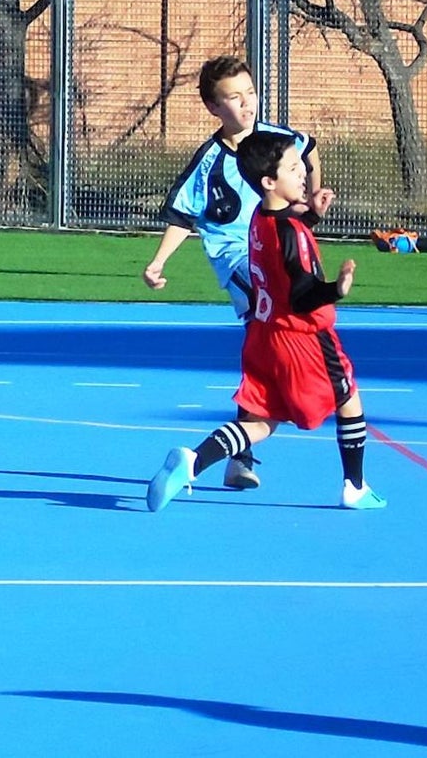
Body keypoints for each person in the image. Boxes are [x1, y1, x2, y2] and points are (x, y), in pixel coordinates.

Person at [145, 130, 386, 513]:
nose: (304, 173)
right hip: (302, 340)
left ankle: (193, 461)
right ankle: (354, 487)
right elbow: (302, 294)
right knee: (348, 398)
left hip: (263, 335)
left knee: (262, 423)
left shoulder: (260, 217)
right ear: (269, 181)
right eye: (294, 168)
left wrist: (314, 215)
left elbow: (286, 252)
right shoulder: (291, 233)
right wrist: (335, 289)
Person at [142, 55, 323, 491]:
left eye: (251, 94)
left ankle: (234, 452)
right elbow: (184, 216)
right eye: (234, 98)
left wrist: (312, 201)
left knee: (265, 354)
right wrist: (159, 260)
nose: (246, 105)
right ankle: (238, 448)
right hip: (241, 261)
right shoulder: (209, 162)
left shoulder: (279, 141)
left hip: (276, 252)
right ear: (213, 107)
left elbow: (310, 149)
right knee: (277, 341)